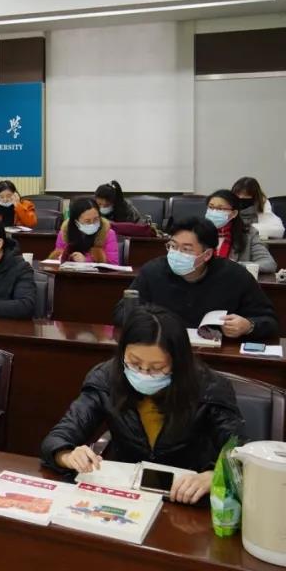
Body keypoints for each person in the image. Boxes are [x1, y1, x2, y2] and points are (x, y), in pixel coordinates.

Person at [42, 305, 243, 505]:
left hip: (186, 496)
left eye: (157, 368)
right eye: (135, 363)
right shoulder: (105, 378)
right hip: (125, 493)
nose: (144, 373)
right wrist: (66, 455)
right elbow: (59, 436)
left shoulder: (210, 387)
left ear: (178, 362)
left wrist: (214, 475)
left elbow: (241, 451)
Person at [112, 217, 279, 343]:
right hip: (163, 350)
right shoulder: (152, 271)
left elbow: (269, 321)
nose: (176, 253)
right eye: (172, 246)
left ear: (207, 254)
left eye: (186, 249)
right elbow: (121, 312)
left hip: (216, 356)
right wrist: (149, 320)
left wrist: (248, 326)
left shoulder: (235, 276)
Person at [206, 189, 275, 274]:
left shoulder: (249, 234)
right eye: (211, 207)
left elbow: (269, 264)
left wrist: (236, 266)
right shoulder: (198, 232)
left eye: (220, 209)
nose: (214, 212)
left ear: (234, 213)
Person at [49, 197, 119, 264]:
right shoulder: (64, 233)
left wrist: (86, 260)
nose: (92, 223)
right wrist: (63, 258)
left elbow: (113, 263)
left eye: (96, 219)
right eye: (87, 221)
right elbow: (57, 258)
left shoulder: (108, 234)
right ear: (76, 221)